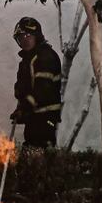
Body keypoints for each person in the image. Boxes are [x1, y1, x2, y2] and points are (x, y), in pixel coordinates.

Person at [10, 17, 63, 148]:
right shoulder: (27, 60)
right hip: (33, 116)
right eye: (21, 38)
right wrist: (21, 104)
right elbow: (22, 87)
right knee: (30, 151)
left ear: (37, 36)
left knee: (40, 153)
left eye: (28, 36)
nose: (24, 40)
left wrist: (24, 107)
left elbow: (42, 90)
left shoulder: (45, 57)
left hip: (46, 116)